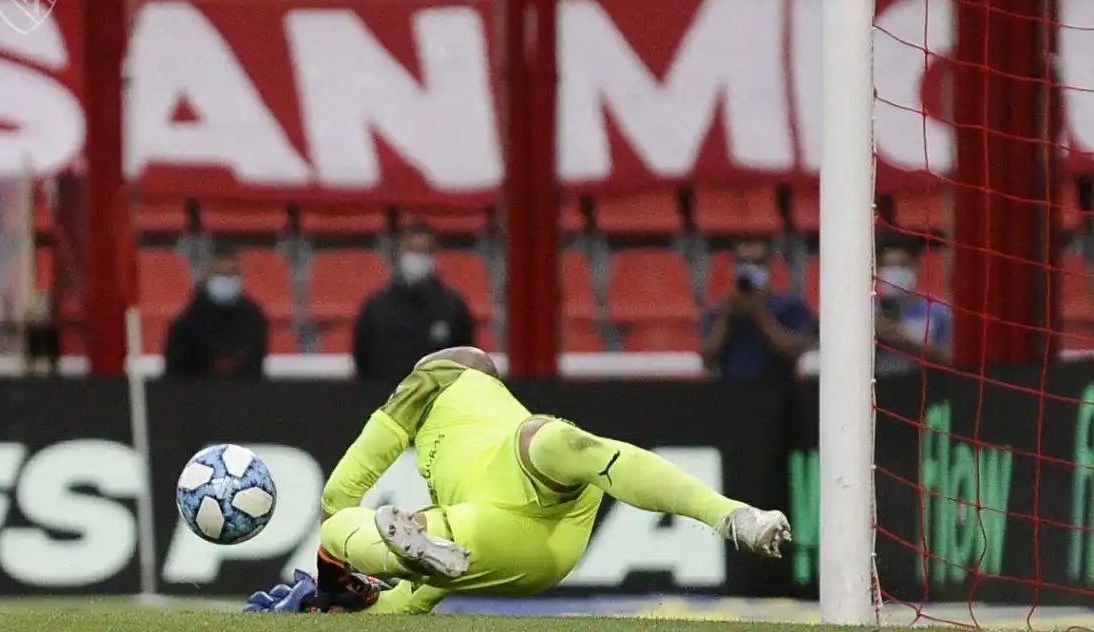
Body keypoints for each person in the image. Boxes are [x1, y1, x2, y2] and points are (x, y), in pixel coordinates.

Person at [245, 346, 792, 615]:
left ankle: (729, 515)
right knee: (561, 451)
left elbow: (345, 487)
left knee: (339, 524)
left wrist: (330, 562)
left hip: (510, 481)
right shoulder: (443, 488)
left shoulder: (440, 375)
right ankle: (364, 578)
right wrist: (338, 612)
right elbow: (406, 609)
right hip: (505, 539)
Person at [353, 222, 474, 383]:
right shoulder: (376, 307)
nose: (418, 258)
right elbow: (362, 359)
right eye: (413, 251)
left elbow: (465, 359)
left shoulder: (453, 307)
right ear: (400, 253)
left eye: (425, 252)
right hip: (389, 399)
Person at [700, 239, 816, 382]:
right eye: (742, 262)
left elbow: (797, 351)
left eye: (757, 263)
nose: (749, 268)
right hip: (734, 395)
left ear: (769, 265)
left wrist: (760, 313)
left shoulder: (790, 305)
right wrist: (727, 317)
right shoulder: (722, 308)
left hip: (780, 394)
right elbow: (708, 360)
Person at [164, 249, 268, 379]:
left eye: (230, 274)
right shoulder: (186, 323)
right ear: (206, 276)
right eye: (219, 274)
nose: (225, 280)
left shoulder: (254, 320)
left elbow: (255, 369)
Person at [874, 241, 952, 374]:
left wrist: (904, 339)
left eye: (902, 265)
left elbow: (950, 359)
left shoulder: (938, 312)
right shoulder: (866, 313)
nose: (896, 273)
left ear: (914, 266)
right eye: (889, 266)